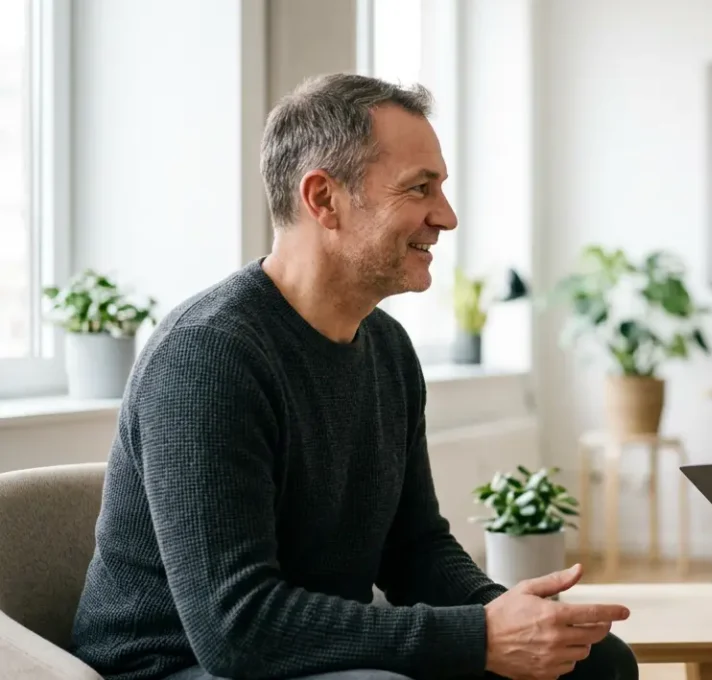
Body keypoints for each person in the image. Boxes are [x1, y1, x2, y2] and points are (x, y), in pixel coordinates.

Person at [69, 73, 638, 680]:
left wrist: (505, 615)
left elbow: (414, 549)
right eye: (419, 188)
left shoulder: (387, 348)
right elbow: (235, 628)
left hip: (301, 652)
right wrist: (476, 636)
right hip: (170, 666)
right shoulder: (208, 357)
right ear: (324, 199)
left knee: (596, 665)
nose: (446, 216)